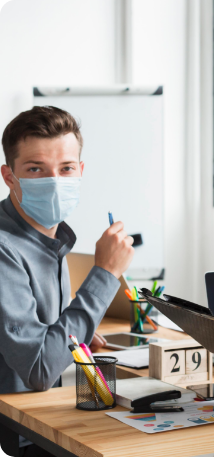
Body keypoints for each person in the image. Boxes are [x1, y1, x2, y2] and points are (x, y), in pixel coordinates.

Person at [0, 106, 135, 456]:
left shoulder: (52, 236)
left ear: (81, 171)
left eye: (66, 168)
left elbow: (42, 338)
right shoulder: (4, 247)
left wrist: (74, 337)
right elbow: (41, 369)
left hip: (46, 419)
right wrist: (105, 274)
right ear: (9, 176)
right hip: (19, 435)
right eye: (35, 169)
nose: (55, 181)